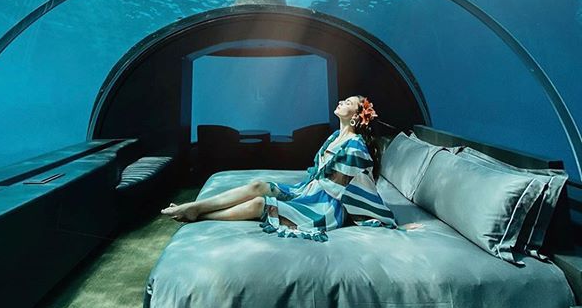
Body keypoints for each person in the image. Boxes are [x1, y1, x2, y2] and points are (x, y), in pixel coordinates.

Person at [160, 95, 424, 240]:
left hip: (324, 207)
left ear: (355, 116)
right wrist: (302, 190)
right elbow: (320, 175)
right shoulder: (335, 137)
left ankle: (199, 216)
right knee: (257, 185)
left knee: (259, 204)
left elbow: (361, 189)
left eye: (349, 102)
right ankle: (197, 206)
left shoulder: (355, 146)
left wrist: (393, 225)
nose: (342, 101)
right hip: (308, 192)